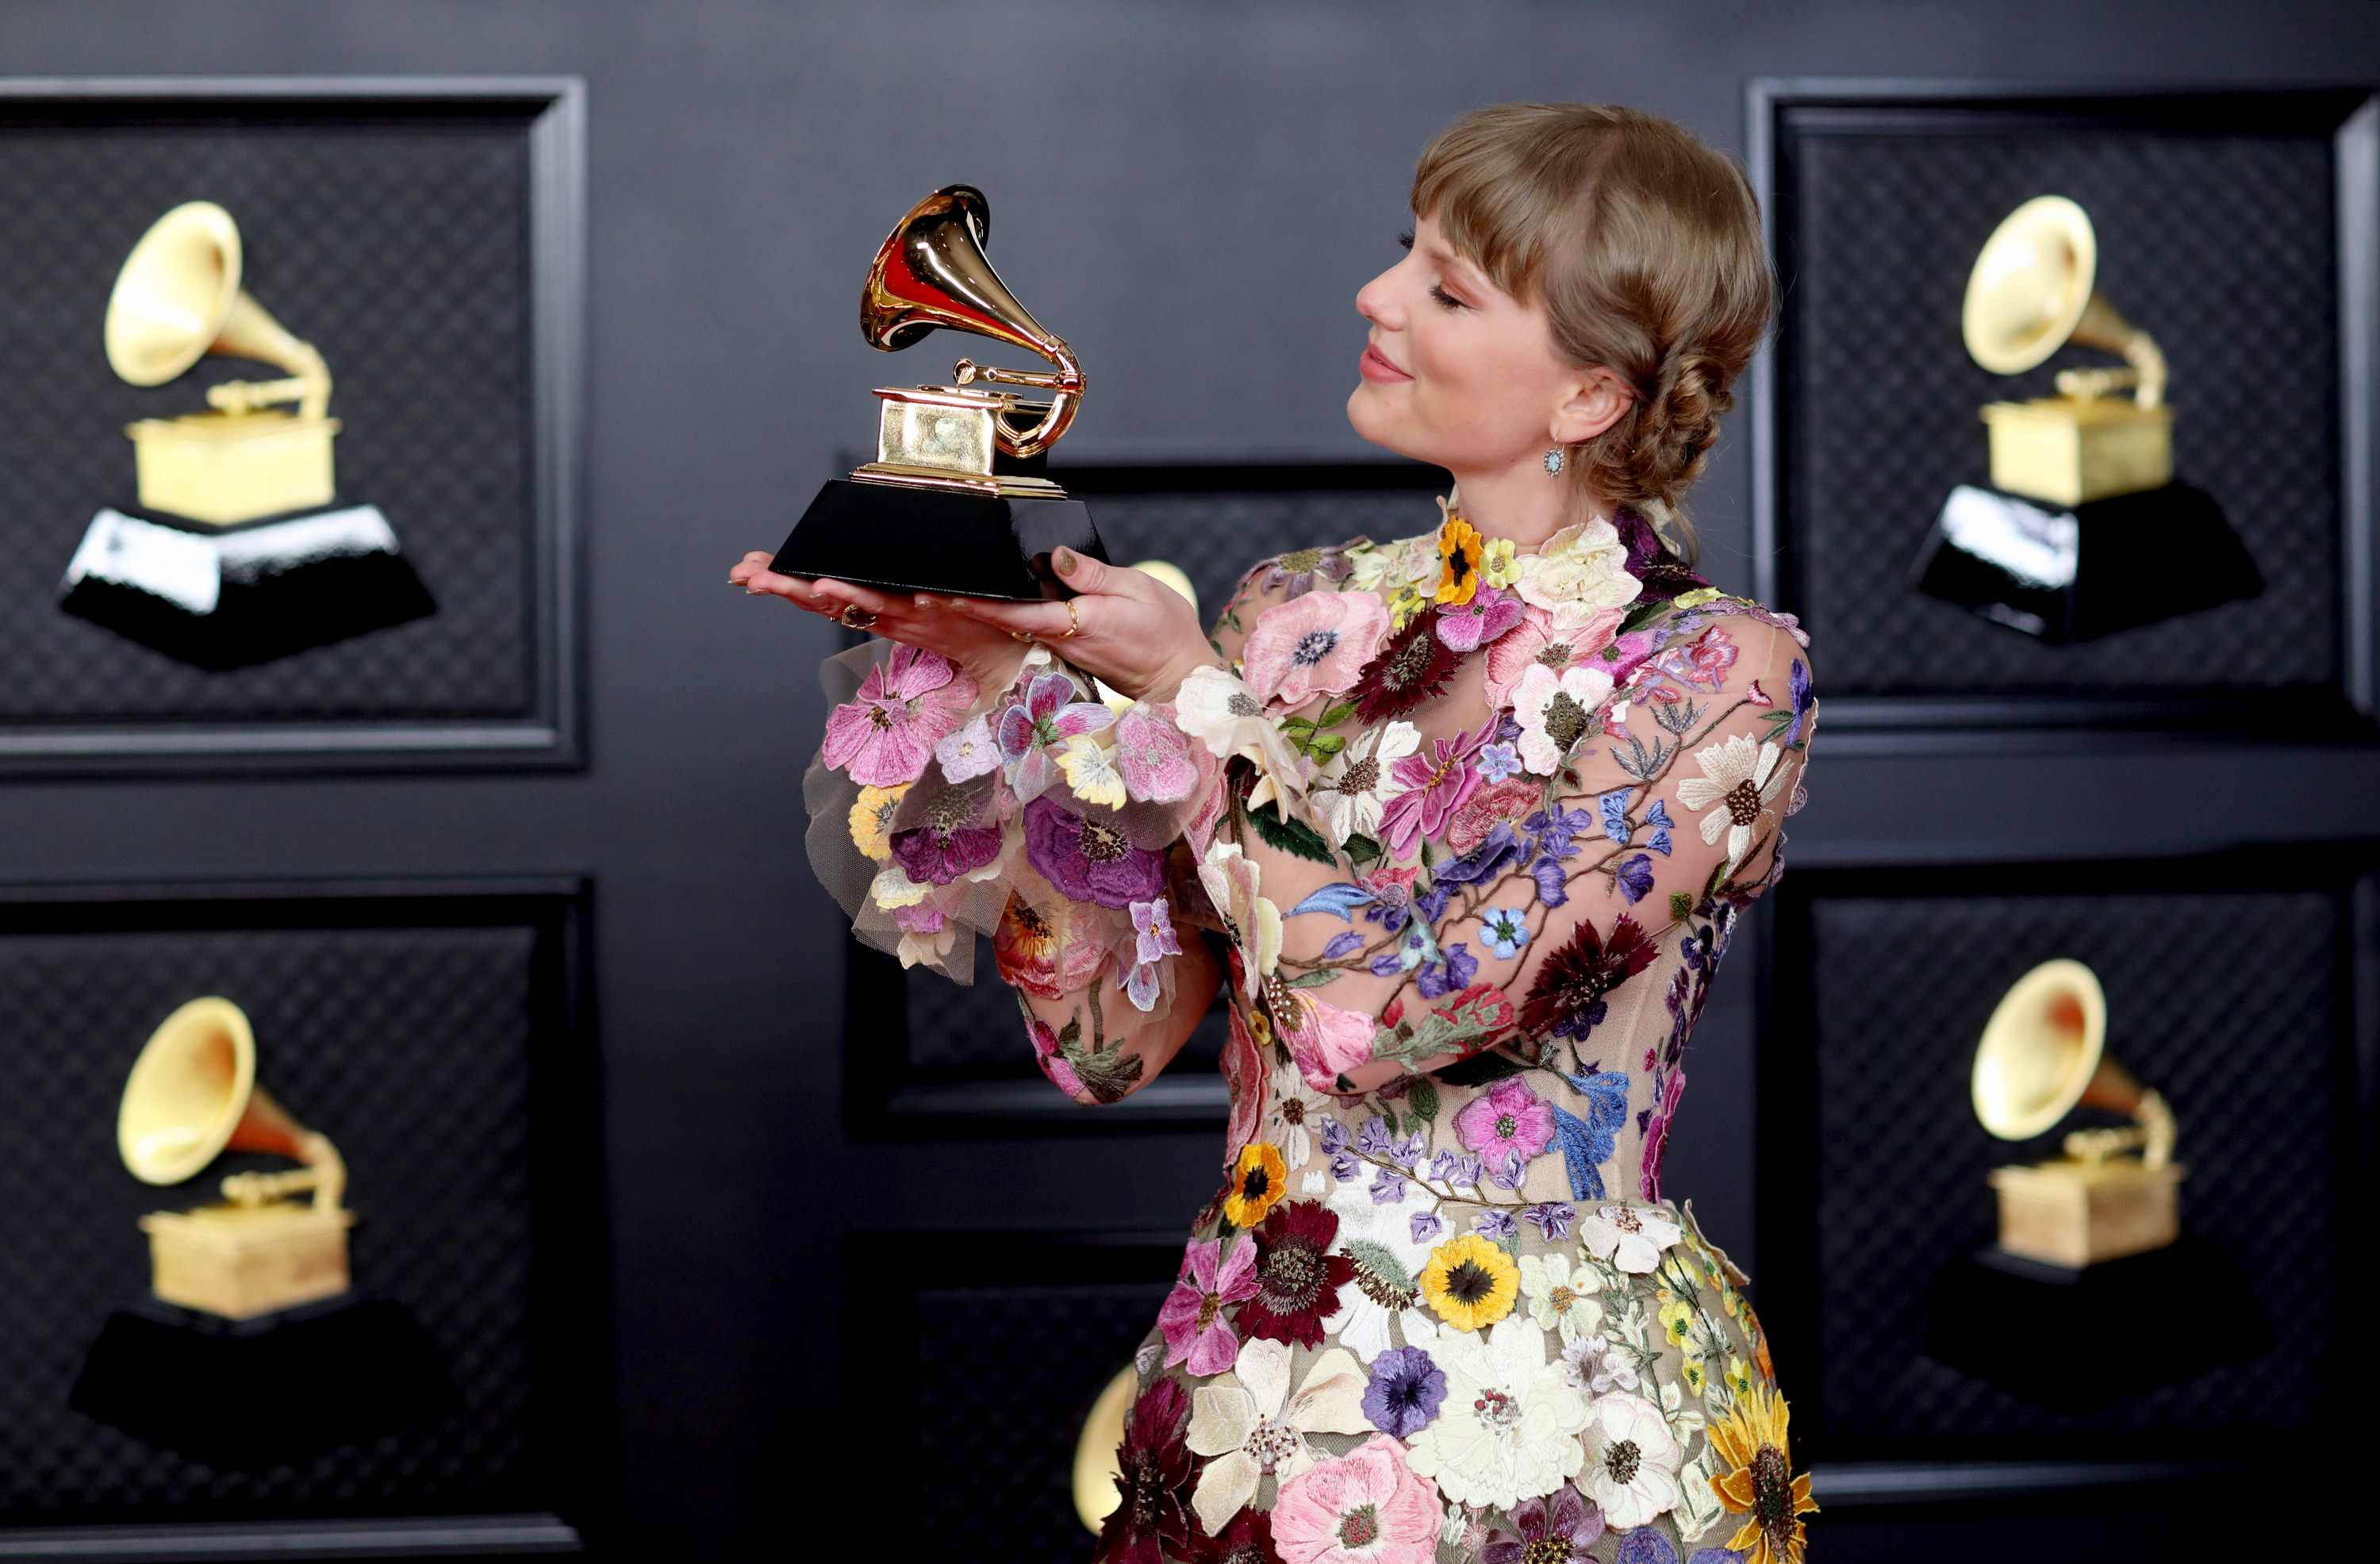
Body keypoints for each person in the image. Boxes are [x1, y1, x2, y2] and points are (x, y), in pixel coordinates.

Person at [734, 102, 1818, 1564]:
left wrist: (1194, 704)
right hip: (1253, 1388)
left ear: (1586, 397)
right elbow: (1110, 1042)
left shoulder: (1717, 676)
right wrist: (1001, 686)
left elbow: (1389, 1014)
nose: (1377, 298)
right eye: (1403, 258)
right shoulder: (1291, 620)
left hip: (1560, 1426)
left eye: (1448, 289)